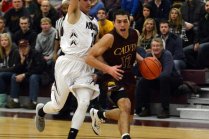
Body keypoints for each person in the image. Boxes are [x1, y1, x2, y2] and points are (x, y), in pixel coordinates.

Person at [35, 0, 100, 139]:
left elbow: (96, 48)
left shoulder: (95, 22)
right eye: (85, 0)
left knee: (84, 102)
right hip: (68, 62)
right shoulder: (74, 14)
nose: (88, 2)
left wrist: (100, 69)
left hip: (86, 65)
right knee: (57, 106)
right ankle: (41, 111)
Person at [86, 9, 143, 139]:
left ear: (130, 22)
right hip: (111, 76)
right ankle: (125, 137)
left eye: (125, 21)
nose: (122, 25)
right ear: (114, 23)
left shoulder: (135, 34)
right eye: (119, 22)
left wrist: (144, 61)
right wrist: (108, 69)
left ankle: (100, 114)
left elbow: (132, 52)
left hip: (128, 76)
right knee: (125, 105)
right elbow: (89, 57)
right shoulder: (109, 38)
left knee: (127, 116)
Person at [136, 37, 183, 118]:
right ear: (151, 48)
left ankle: (165, 109)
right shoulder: (148, 55)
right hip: (159, 80)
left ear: (162, 47)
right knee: (143, 80)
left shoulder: (167, 54)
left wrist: (152, 75)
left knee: (163, 78)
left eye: (158, 46)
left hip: (174, 80)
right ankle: (145, 108)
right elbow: (144, 73)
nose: (155, 48)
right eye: (153, 46)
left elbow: (166, 73)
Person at [6, 39, 46, 109]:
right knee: (14, 76)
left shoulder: (36, 53)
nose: (23, 49)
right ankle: (15, 101)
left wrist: (24, 75)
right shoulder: (19, 55)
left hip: (41, 76)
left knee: (33, 77)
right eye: (21, 47)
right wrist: (22, 61)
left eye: (25, 47)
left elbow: (39, 69)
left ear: (29, 47)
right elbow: (16, 70)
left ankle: (33, 102)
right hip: (28, 76)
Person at [0, 33, 20, 107]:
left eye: (5, 40)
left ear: (9, 41)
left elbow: (14, 68)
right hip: (7, 72)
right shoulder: (1, 51)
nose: (3, 42)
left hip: (16, 72)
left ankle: (3, 100)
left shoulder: (15, 50)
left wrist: (2, 70)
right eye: (2, 40)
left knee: (1, 75)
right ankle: (2, 99)